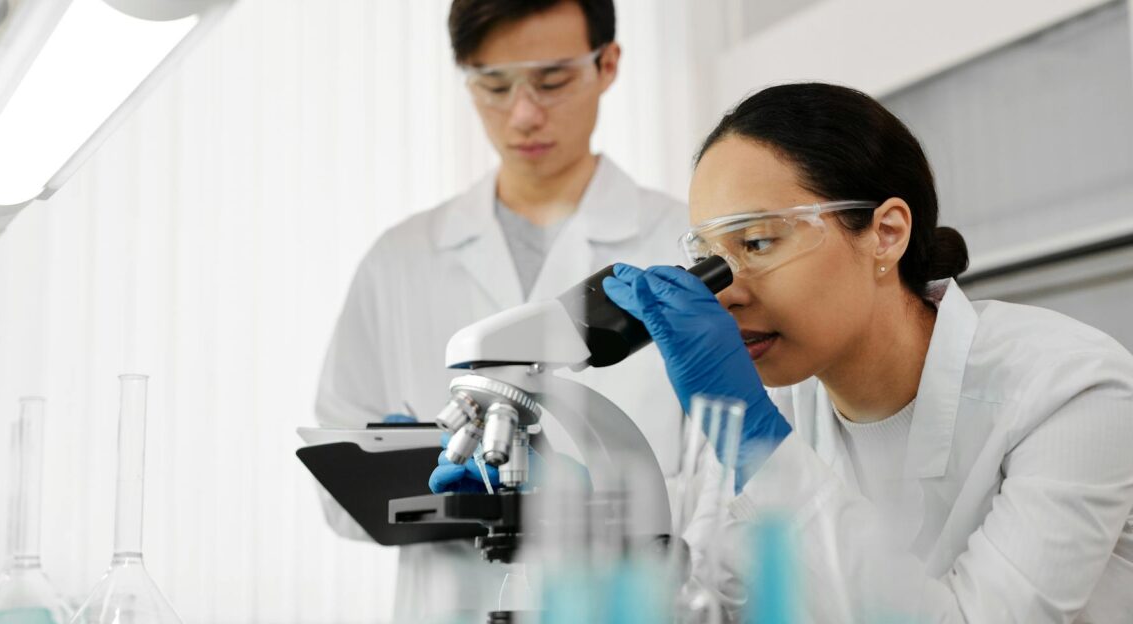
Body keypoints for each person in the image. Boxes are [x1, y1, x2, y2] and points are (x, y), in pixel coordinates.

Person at [602, 83, 1133, 622]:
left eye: (757, 243)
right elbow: (719, 603)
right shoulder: (777, 400)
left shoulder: (1071, 390)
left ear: (886, 233)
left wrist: (757, 445)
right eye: (709, 259)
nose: (725, 292)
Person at [314, 0, 687, 619]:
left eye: (553, 81)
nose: (523, 113)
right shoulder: (400, 260)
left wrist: (588, 501)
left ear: (608, 64)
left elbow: (727, 495)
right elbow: (336, 497)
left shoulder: (673, 243)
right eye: (493, 85)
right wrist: (408, 475)